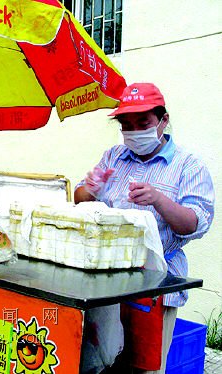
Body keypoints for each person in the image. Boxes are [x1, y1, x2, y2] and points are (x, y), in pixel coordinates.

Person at [74, 82, 214, 373]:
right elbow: (79, 200)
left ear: (163, 120)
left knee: (142, 366)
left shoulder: (188, 165)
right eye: (126, 124)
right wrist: (91, 187)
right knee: (99, 359)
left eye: (143, 123)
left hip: (155, 285)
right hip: (106, 281)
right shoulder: (114, 156)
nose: (134, 131)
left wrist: (159, 199)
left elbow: (195, 223)